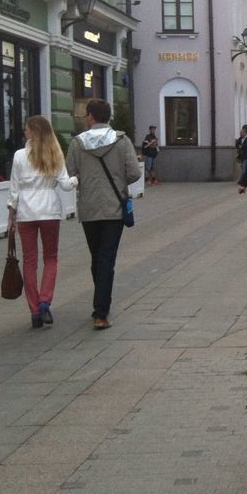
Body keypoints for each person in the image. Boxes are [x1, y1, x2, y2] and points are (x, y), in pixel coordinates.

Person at [66, 99, 142, 330]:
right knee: (107, 258)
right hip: (114, 208)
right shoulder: (122, 141)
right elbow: (134, 173)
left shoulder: (77, 144)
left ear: (91, 117)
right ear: (108, 117)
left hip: (89, 207)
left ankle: (100, 305)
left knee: (96, 256)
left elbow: (70, 173)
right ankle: (101, 311)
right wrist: (119, 182)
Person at [8, 115, 77, 330]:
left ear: (34, 132)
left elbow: (14, 188)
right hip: (49, 210)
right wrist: (76, 179)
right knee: (51, 258)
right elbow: (66, 185)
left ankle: (35, 310)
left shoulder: (19, 155)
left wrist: (11, 213)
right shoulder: (54, 153)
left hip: (26, 211)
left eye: (27, 129)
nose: (25, 132)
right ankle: (45, 300)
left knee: (30, 261)